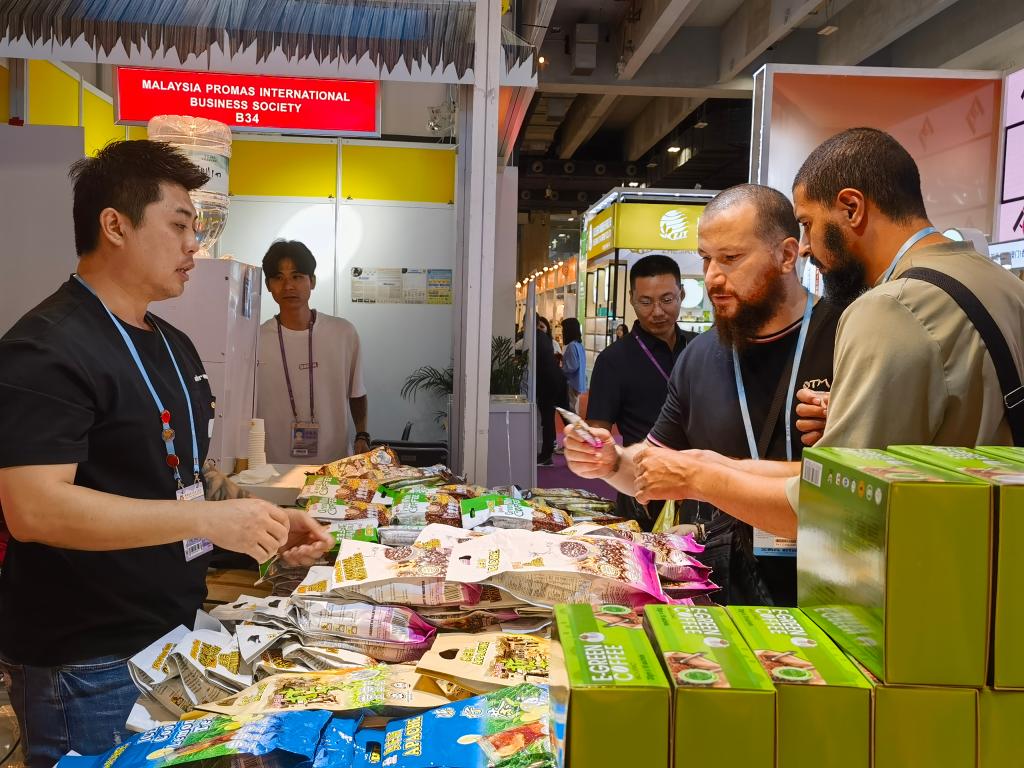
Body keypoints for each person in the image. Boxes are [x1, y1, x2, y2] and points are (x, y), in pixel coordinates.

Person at [0, 141, 332, 767]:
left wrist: (260, 520)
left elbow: (182, 477)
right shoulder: (47, 347)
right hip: (87, 660)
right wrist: (206, 518)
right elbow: (34, 509)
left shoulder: (173, 344)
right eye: (179, 225)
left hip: (173, 639)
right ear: (115, 225)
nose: (193, 246)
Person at [570, 128, 1024, 546]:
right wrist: (662, 464)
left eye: (807, 224)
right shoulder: (1003, 287)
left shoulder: (886, 309)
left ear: (851, 208)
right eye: (706, 259)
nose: (807, 245)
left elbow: (839, 503)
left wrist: (700, 475)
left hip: (921, 566)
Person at [566, 185, 841, 604]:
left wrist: (701, 475)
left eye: (730, 258)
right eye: (707, 259)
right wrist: (612, 461)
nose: (712, 277)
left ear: (787, 255)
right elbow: (652, 464)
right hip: (727, 595)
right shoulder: (700, 357)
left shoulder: (845, 338)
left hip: (832, 593)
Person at [584, 255, 696, 526]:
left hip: (701, 487)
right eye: (645, 302)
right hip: (642, 490)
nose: (657, 311)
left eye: (667, 299)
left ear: (681, 294)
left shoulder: (700, 349)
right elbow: (597, 436)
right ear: (632, 299)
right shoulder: (613, 360)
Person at [257, 241, 370, 464]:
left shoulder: (343, 333)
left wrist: (362, 434)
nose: (288, 286)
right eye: (278, 277)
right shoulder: (256, 339)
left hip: (334, 463)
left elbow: (357, 391)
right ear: (268, 285)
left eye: (297, 276)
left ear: (313, 281)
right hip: (273, 465)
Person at [535, 314, 567, 466]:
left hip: (548, 384)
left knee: (548, 419)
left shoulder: (534, 338)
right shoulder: (546, 339)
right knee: (566, 416)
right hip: (557, 380)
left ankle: (546, 455)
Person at [560, 317, 587, 413]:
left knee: (570, 411)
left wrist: (561, 370)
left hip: (571, 382)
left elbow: (572, 366)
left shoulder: (571, 346)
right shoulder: (579, 345)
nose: (562, 332)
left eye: (564, 329)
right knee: (573, 408)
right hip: (578, 382)